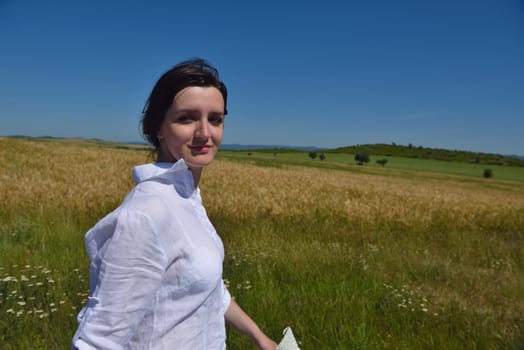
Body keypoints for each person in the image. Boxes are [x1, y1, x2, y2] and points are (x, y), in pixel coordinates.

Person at [72, 59, 277, 350]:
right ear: (159, 127)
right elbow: (97, 341)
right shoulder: (147, 214)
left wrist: (259, 337)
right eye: (187, 118)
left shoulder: (188, 199)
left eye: (215, 119)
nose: (205, 133)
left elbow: (208, 287)